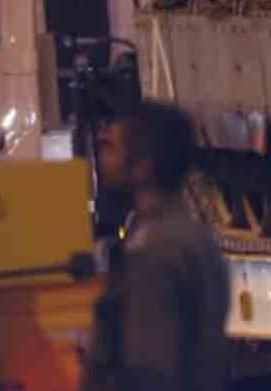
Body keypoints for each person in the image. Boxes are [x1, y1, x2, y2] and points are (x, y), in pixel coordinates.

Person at [82, 101, 230, 391]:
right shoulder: (197, 238)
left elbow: (148, 370)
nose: (102, 158)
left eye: (112, 148)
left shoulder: (154, 250)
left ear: (143, 166)